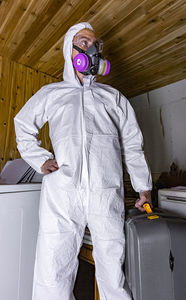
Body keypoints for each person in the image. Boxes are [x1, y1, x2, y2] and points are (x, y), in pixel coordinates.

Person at [14, 22, 152, 300]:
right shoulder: (52, 94)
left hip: (105, 190)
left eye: (95, 44)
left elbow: (133, 144)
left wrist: (143, 186)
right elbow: (22, 124)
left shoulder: (113, 98)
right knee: (53, 266)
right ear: (71, 50)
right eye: (84, 42)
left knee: (112, 266)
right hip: (63, 189)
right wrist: (40, 160)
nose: (91, 48)